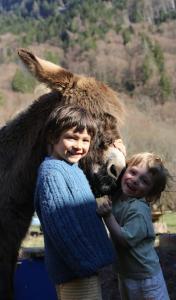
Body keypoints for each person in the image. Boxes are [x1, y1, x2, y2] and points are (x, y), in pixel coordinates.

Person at [34, 105, 115, 300]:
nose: (79, 145)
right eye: (71, 137)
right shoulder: (52, 173)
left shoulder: (73, 169)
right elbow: (62, 227)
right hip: (75, 271)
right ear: (53, 137)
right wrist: (84, 263)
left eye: (85, 140)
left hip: (84, 267)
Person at [97, 152, 171, 300]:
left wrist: (107, 216)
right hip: (126, 274)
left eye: (144, 181)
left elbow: (124, 240)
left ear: (151, 192)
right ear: (125, 170)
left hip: (146, 278)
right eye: (133, 172)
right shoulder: (119, 198)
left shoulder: (138, 210)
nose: (135, 180)